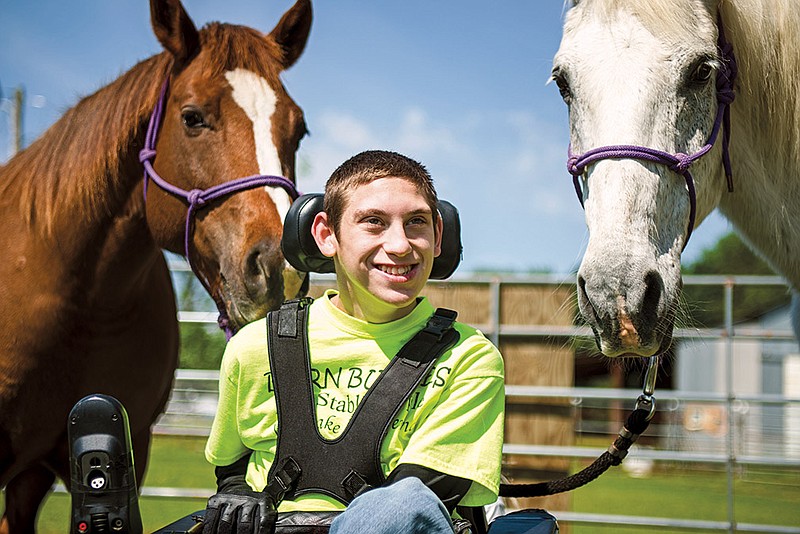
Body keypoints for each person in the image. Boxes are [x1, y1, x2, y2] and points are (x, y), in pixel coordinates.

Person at [202, 150, 506, 534]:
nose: (399, 245)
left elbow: (407, 512)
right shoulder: (254, 347)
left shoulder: (469, 359)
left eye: (417, 223)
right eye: (374, 222)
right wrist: (235, 489)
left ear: (438, 236)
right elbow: (230, 463)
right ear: (327, 235)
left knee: (399, 506)